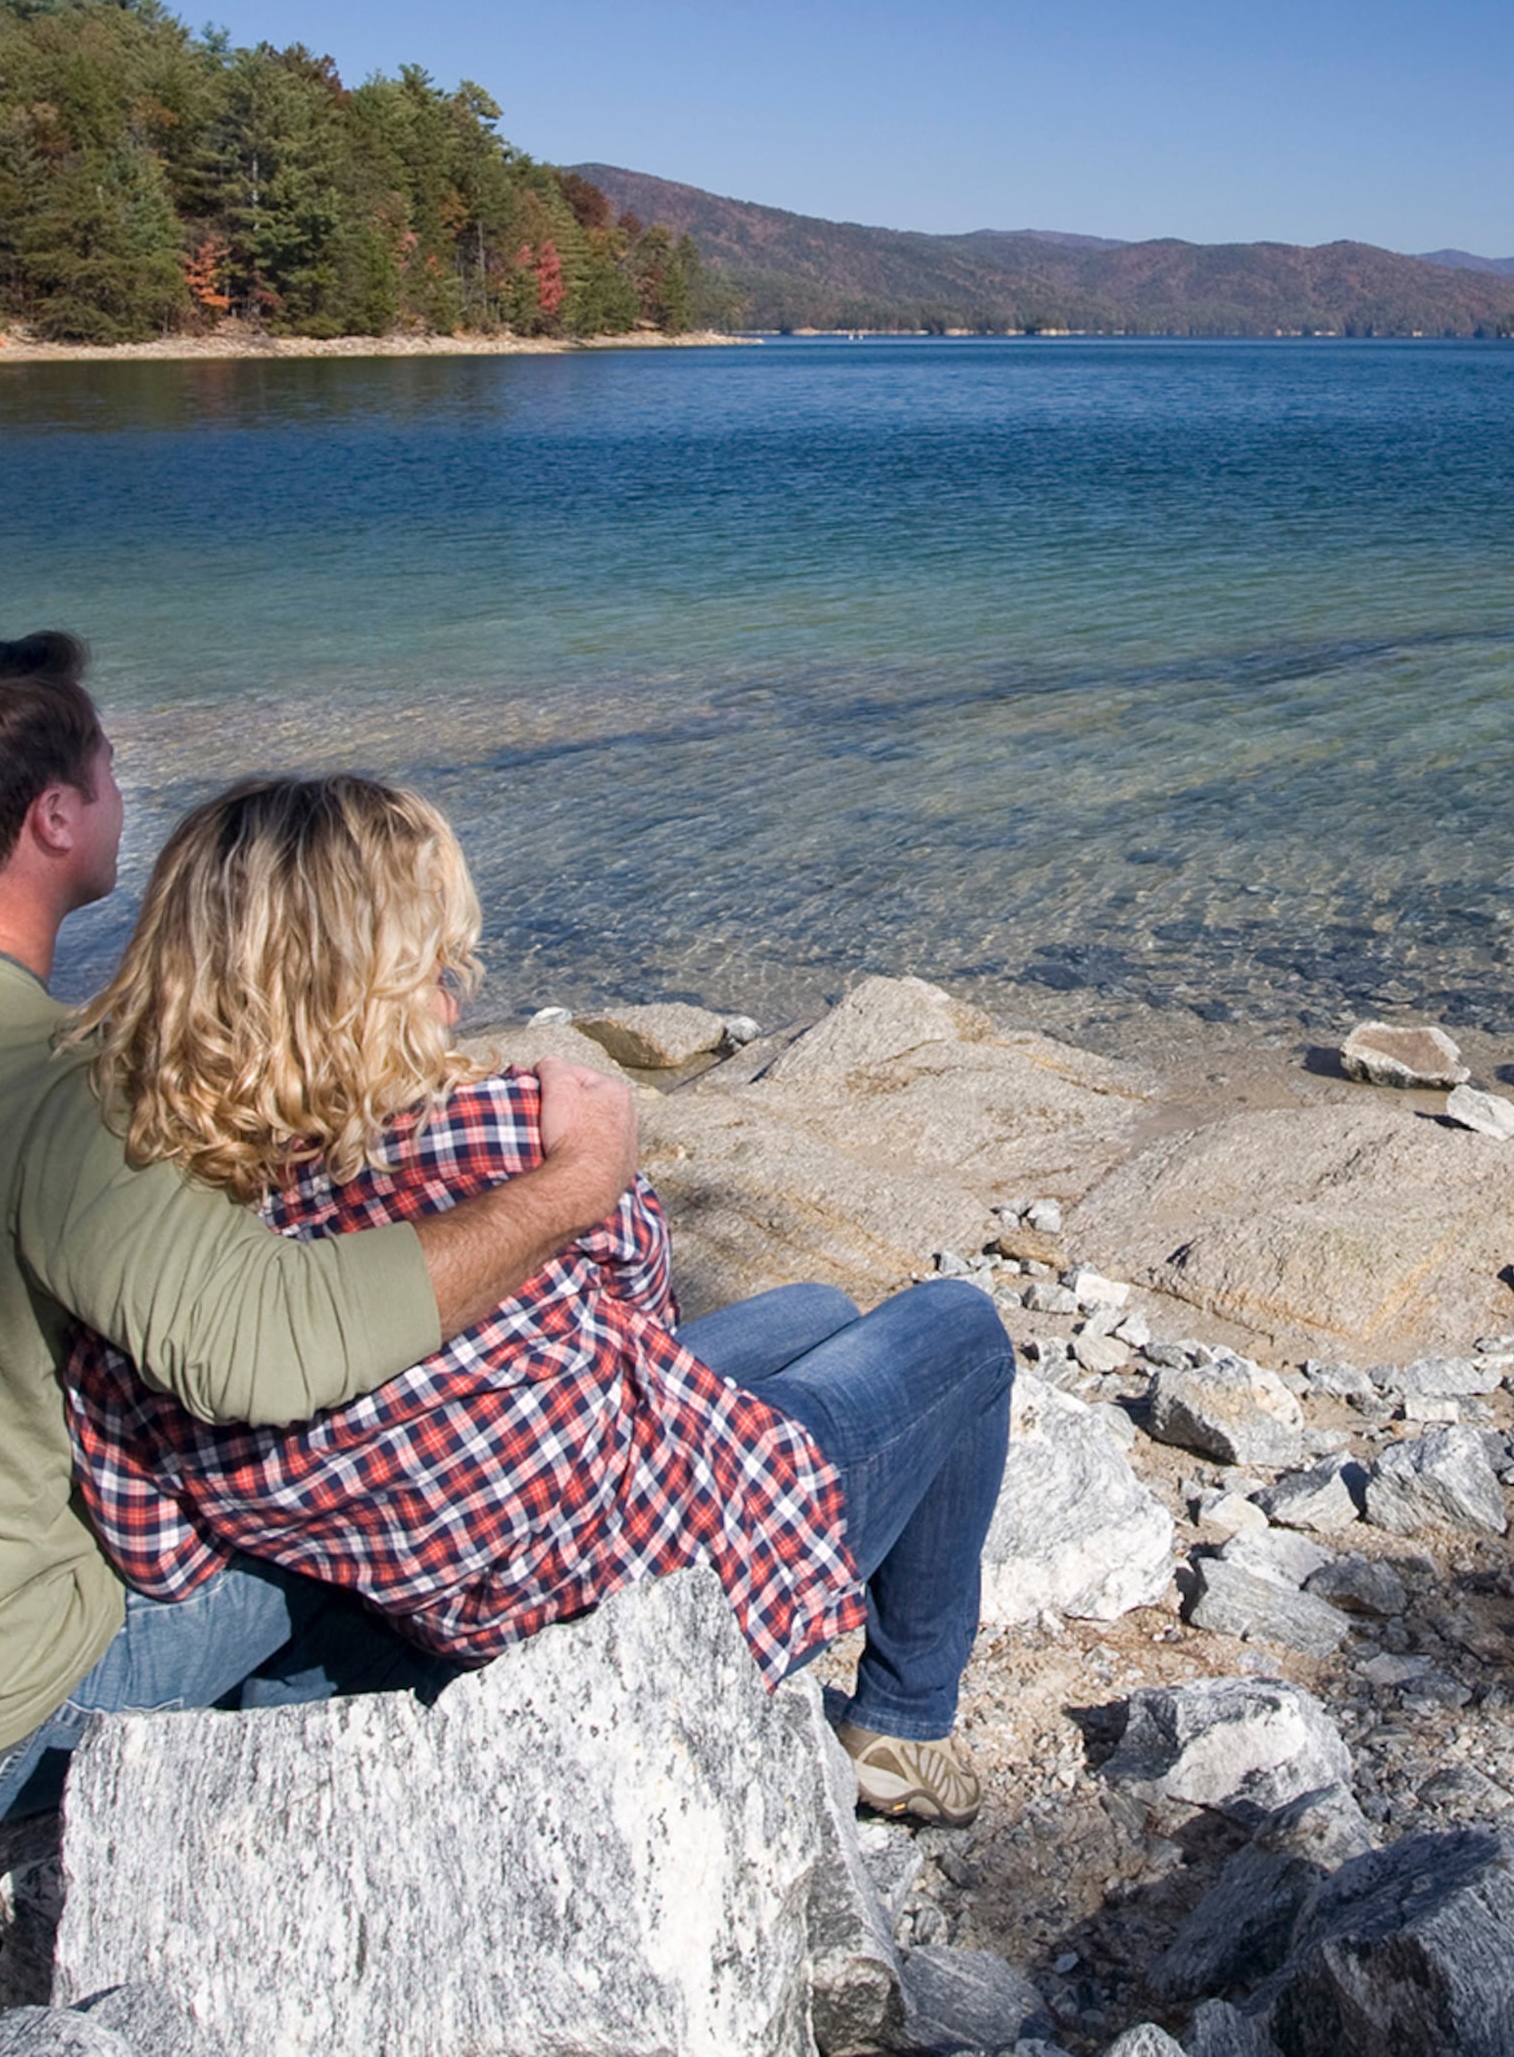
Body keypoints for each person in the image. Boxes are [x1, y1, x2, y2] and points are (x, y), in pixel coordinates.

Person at [0, 634, 643, 1828]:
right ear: (56, 819)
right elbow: (268, 1350)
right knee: (354, 1514)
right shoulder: (36, 1085)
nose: (120, 792)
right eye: (107, 767)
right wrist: (568, 1192)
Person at [56, 774, 1011, 1826]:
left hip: (444, 1582)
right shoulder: (502, 1141)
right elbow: (639, 1316)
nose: (453, 1001)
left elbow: (152, 1536)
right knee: (961, 1328)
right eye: (430, 971)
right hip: (647, 1587)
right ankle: (904, 1722)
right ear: (370, 988)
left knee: (819, 1307)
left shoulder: (149, 1215)